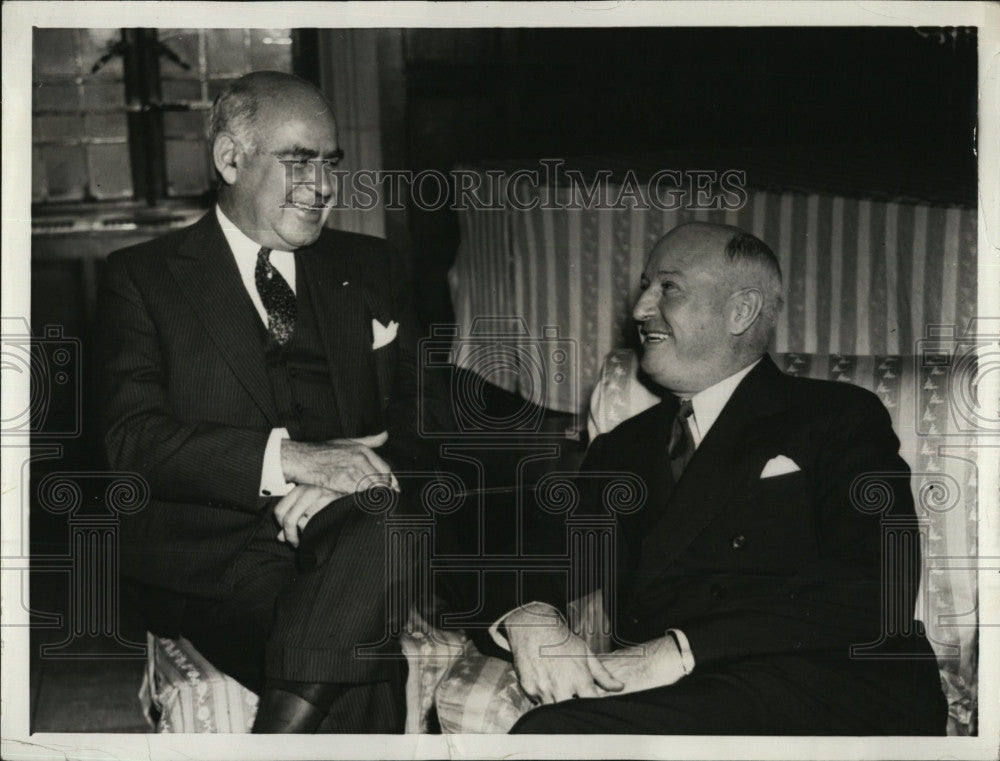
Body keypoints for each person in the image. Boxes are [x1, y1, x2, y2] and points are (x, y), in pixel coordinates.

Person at [491, 222, 947, 734]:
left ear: (742, 310)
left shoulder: (838, 415)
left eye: (668, 287)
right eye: (645, 287)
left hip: (834, 687)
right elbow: (535, 554)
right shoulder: (623, 447)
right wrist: (530, 614)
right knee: (550, 736)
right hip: (694, 698)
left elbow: (877, 582)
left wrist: (680, 650)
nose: (640, 309)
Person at [99, 71, 448, 733]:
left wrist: (368, 472)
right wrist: (294, 459)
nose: (323, 186)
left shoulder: (374, 266)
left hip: (355, 534)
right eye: (298, 162)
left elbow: (424, 416)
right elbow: (131, 441)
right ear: (230, 159)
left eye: (330, 163)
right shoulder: (142, 278)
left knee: (389, 513)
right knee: (367, 669)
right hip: (216, 558)